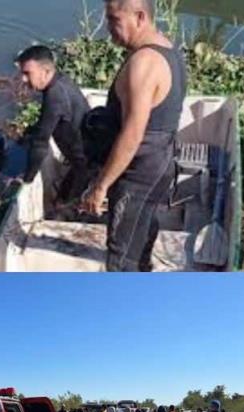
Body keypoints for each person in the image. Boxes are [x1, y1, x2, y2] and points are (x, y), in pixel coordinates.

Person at [79, 0, 188, 271]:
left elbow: (132, 134)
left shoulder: (144, 62)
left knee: (121, 253)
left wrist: (101, 185)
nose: (108, 29)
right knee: (142, 232)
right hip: (160, 163)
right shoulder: (168, 48)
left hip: (139, 173)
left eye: (114, 20)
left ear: (140, 17)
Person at [14, 45, 91, 212]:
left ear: (46, 71)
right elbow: (45, 124)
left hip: (87, 165)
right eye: (22, 73)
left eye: (27, 73)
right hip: (85, 156)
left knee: (62, 207)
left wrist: (27, 179)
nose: (23, 79)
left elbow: (41, 144)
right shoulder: (61, 81)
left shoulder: (55, 96)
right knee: (63, 195)